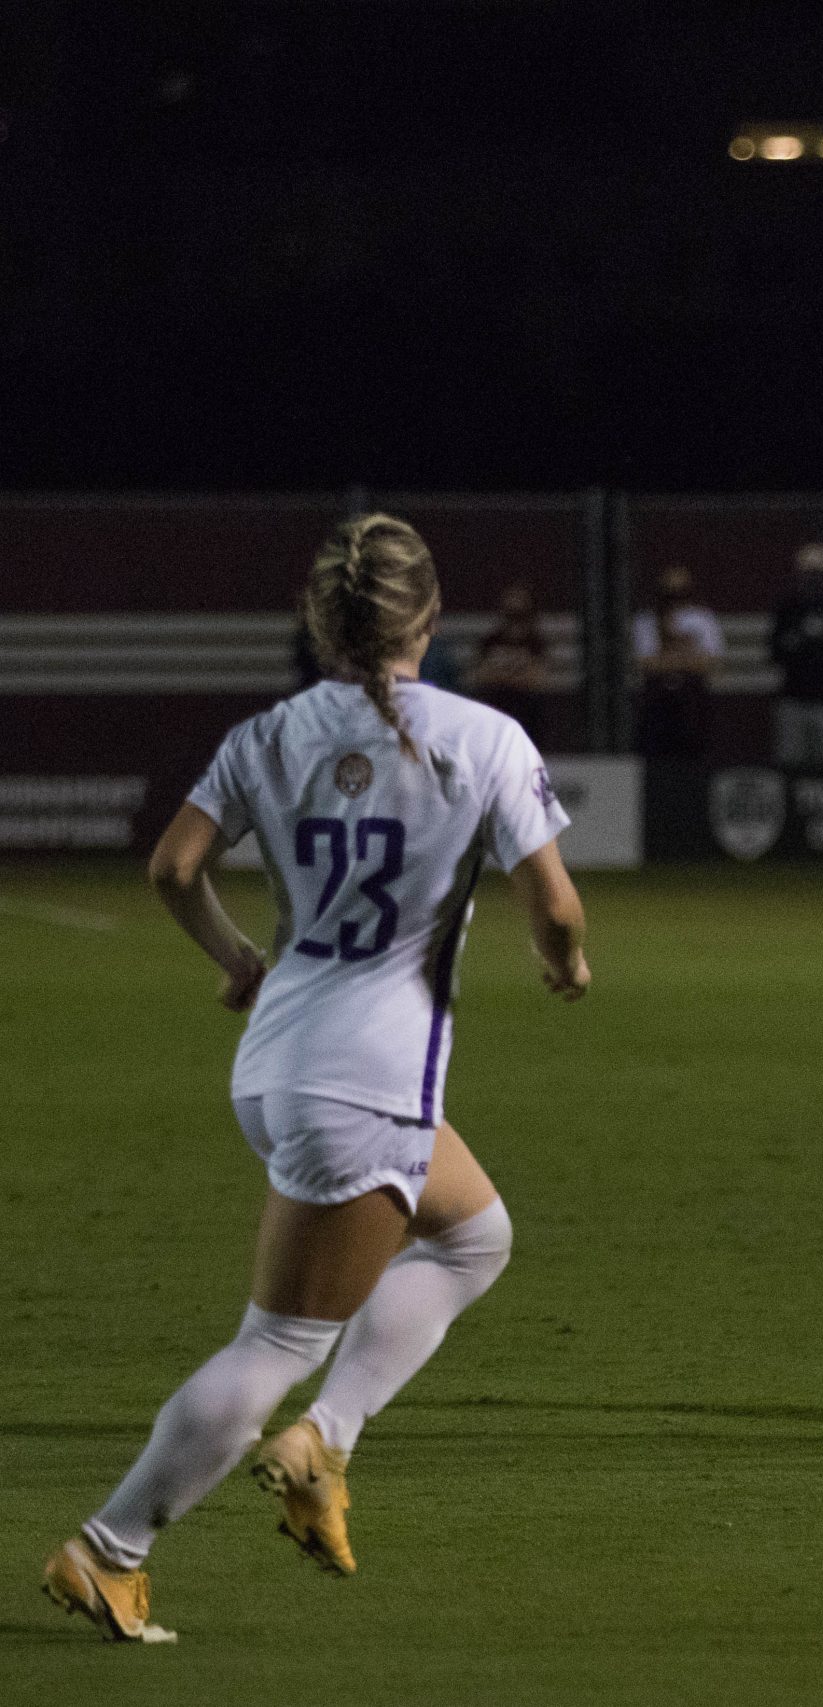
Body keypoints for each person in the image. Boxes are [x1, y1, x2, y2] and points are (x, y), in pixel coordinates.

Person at [41, 515, 590, 1643]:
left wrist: (238, 957)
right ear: (430, 625)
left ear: (321, 628)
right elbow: (556, 902)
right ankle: (111, 1549)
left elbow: (173, 867)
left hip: (282, 1056)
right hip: (368, 1082)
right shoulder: (482, 736)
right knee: (278, 1342)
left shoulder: (269, 735)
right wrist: (563, 960)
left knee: (475, 1234)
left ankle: (324, 1441)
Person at [768, 541, 823, 768]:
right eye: (809, 573)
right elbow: (774, 652)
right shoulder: (787, 608)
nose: (815, 580)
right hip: (795, 701)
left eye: (820, 574)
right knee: (792, 769)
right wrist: (805, 641)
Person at [634, 565, 722, 757]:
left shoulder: (702, 618)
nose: (675, 598)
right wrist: (687, 659)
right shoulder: (646, 620)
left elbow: (709, 662)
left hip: (692, 698)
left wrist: (669, 659)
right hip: (658, 699)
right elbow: (646, 663)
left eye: (680, 592)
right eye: (670, 593)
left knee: (694, 752)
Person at [471, 583, 550, 746]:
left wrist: (503, 676)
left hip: (526, 703)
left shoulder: (536, 643)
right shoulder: (491, 641)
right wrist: (514, 677)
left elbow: (537, 679)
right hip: (498, 700)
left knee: (529, 704)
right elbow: (481, 675)